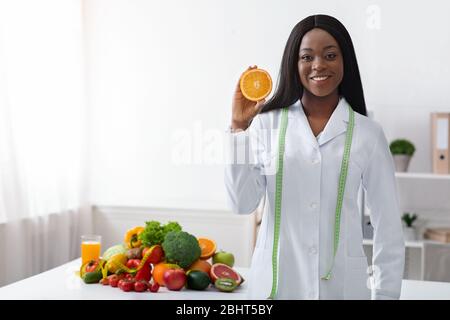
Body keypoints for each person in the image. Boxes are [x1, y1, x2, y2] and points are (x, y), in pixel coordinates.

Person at [224, 14, 405, 300]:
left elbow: (389, 228)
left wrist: (385, 295)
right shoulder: (266, 124)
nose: (318, 65)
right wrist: (238, 129)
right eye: (306, 57)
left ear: (345, 61)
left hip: (343, 289)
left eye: (330, 55)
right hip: (276, 287)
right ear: (294, 65)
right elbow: (241, 203)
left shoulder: (368, 133)